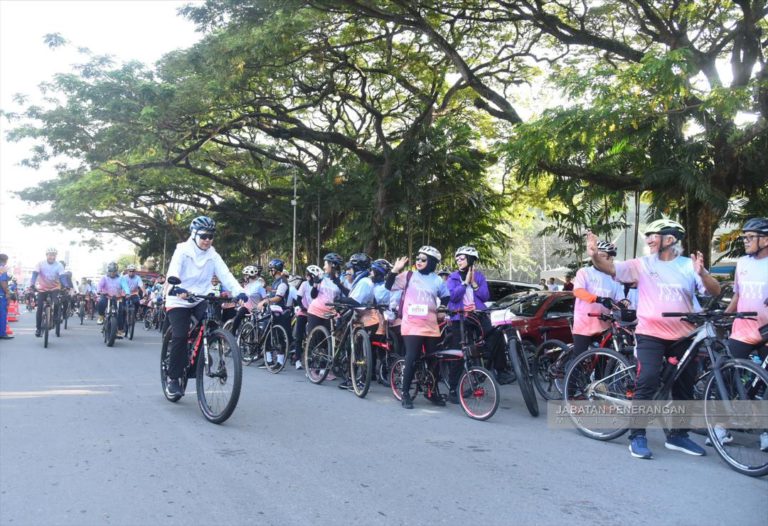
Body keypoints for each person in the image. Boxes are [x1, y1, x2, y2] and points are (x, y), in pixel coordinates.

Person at [587, 219, 720, 460]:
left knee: (684, 386)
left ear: (669, 239)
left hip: (684, 335)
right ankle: (637, 435)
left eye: (653, 235)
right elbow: (610, 268)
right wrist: (596, 254)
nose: (648, 239)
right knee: (647, 380)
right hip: (650, 333)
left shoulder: (688, 266)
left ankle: (678, 436)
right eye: (647, 235)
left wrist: (703, 274)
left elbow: (714, 291)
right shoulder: (642, 264)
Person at [164, 216, 247, 398]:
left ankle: (203, 352)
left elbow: (226, 275)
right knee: (180, 334)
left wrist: (239, 291)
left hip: (201, 297)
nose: (207, 240)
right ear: (194, 235)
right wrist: (176, 287)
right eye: (204, 236)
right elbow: (174, 271)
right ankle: (173, 378)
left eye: (211, 236)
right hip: (179, 298)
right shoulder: (182, 251)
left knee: (212, 323)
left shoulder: (213, 254)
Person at [446, 246, 514, 402]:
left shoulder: (480, 276)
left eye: (462, 258)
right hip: (460, 318)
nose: (458, 261)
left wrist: (474, 283)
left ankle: (500, 370)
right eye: (457, 258)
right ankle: (452, 388)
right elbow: (453, 297)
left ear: (470, 260)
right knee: (459, 351)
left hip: (478, 314)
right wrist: (465, 283)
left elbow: (484, 296)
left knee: (496, 333)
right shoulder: (453, 277)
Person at [386, 246, 450, 409]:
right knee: (412, 356)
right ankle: (405, 394)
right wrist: (395, 270)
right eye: (418, 258)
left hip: (430, 325)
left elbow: (446, 296)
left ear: (432, 263)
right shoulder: (408, 276)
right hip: (411, 325)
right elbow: (388, 285)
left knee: (434, 360)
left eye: (423, 259)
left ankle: (432, 392)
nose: (419, 262)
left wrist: (442, 308)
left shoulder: (436, 280)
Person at [723, 218, 768, 452]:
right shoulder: (742, 263)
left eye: (750, 237)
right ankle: (720, 427)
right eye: (745, 237)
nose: (746, 242)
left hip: (766, 333)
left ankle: (765, 432)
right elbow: (737, 297)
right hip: (742, 331)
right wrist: (723, 316)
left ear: (765, 239)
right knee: (726, 377)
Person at [571, 241, 626, 362]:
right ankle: (569, 380)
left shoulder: (614, 278)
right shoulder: (585, 272)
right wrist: (598, 299)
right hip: (584, 324)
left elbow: (621, 298)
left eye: (610, 257)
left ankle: (599, 380)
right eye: (604, 256)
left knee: (602, 360)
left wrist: (623, 304)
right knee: (578, 359)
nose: (608, 259)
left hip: (604, 325)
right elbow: (578, 292)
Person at [256, 258, 293, 367]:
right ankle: (268, 360)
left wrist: (265, 301)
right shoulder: (277, 281)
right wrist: (265, 287)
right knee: (267, 333)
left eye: (271, 269)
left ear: (276, 270)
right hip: (272, 310)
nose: (270, 271)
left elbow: (278, 297)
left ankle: (280, 362)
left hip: (280, 311)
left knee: (278, 336)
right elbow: (273, 291)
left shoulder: (283, 282)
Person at [29, 248, 66, 337]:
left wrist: (66, 285)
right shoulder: (40, 264)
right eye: (50, 254)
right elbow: (34, 274)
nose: (51, 257)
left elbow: (62, 277)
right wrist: (32, 284)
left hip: (54, 288)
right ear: (46, 255)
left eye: (53, 255)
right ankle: (38, 328)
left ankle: (55, 318)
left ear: (55, 256)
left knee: (56, 303)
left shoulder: (59, 265)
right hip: (42, 288)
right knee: (40, 308)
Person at [293, 265, 323, 369]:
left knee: (314, 337)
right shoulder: (304, 284)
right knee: (299, 336)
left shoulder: (319, 285)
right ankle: (297, 359)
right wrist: (302, 307)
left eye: (309, 276)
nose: (308, 277)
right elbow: (298, 298)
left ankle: (311, 359)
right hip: (304, 312)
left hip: (315, 313)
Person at [230, 265, 267, 334]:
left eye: (245, 275)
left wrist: (262, 304)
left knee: (255, 327)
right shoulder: (247, 285)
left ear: (248, 276)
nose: (244, 277)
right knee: (238, 316)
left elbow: (265, 299)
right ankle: (232, 334)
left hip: (256, 310)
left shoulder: (259, 286)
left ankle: (234, 333)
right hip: (247, 308)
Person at [97, 262, 126, 332]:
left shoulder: (121, 278)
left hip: (117, 297)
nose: (112, 273)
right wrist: (99, 290)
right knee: (100, 302)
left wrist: (127, 293)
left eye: (114, 271)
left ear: (116, 271)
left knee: (121, 311)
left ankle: (120, 329)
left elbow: (125, 286)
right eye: (111, 271)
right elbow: (100, 285)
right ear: (108, 271)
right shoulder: (104, 278)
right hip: (106, 296)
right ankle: (101, 316)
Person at [119, 264, 145, 337]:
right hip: (124, 294)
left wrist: (144, 292)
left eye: (133, 271)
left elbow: (141, 286)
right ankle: (123, 327)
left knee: (137, 302)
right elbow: (119, 286)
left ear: (135, 271)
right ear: (127, 271)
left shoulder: (138, 278)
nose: (131, 272)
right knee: (123, 310)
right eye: (130, 271)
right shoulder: (123, 278)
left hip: (134, 294)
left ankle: (134, 315)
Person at [0, 253, 13, 340]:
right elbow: (3, 282)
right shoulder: (2, 269)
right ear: (5, 260)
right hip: (1, 295)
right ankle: (2, 333)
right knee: (2, 314)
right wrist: (7, 294)